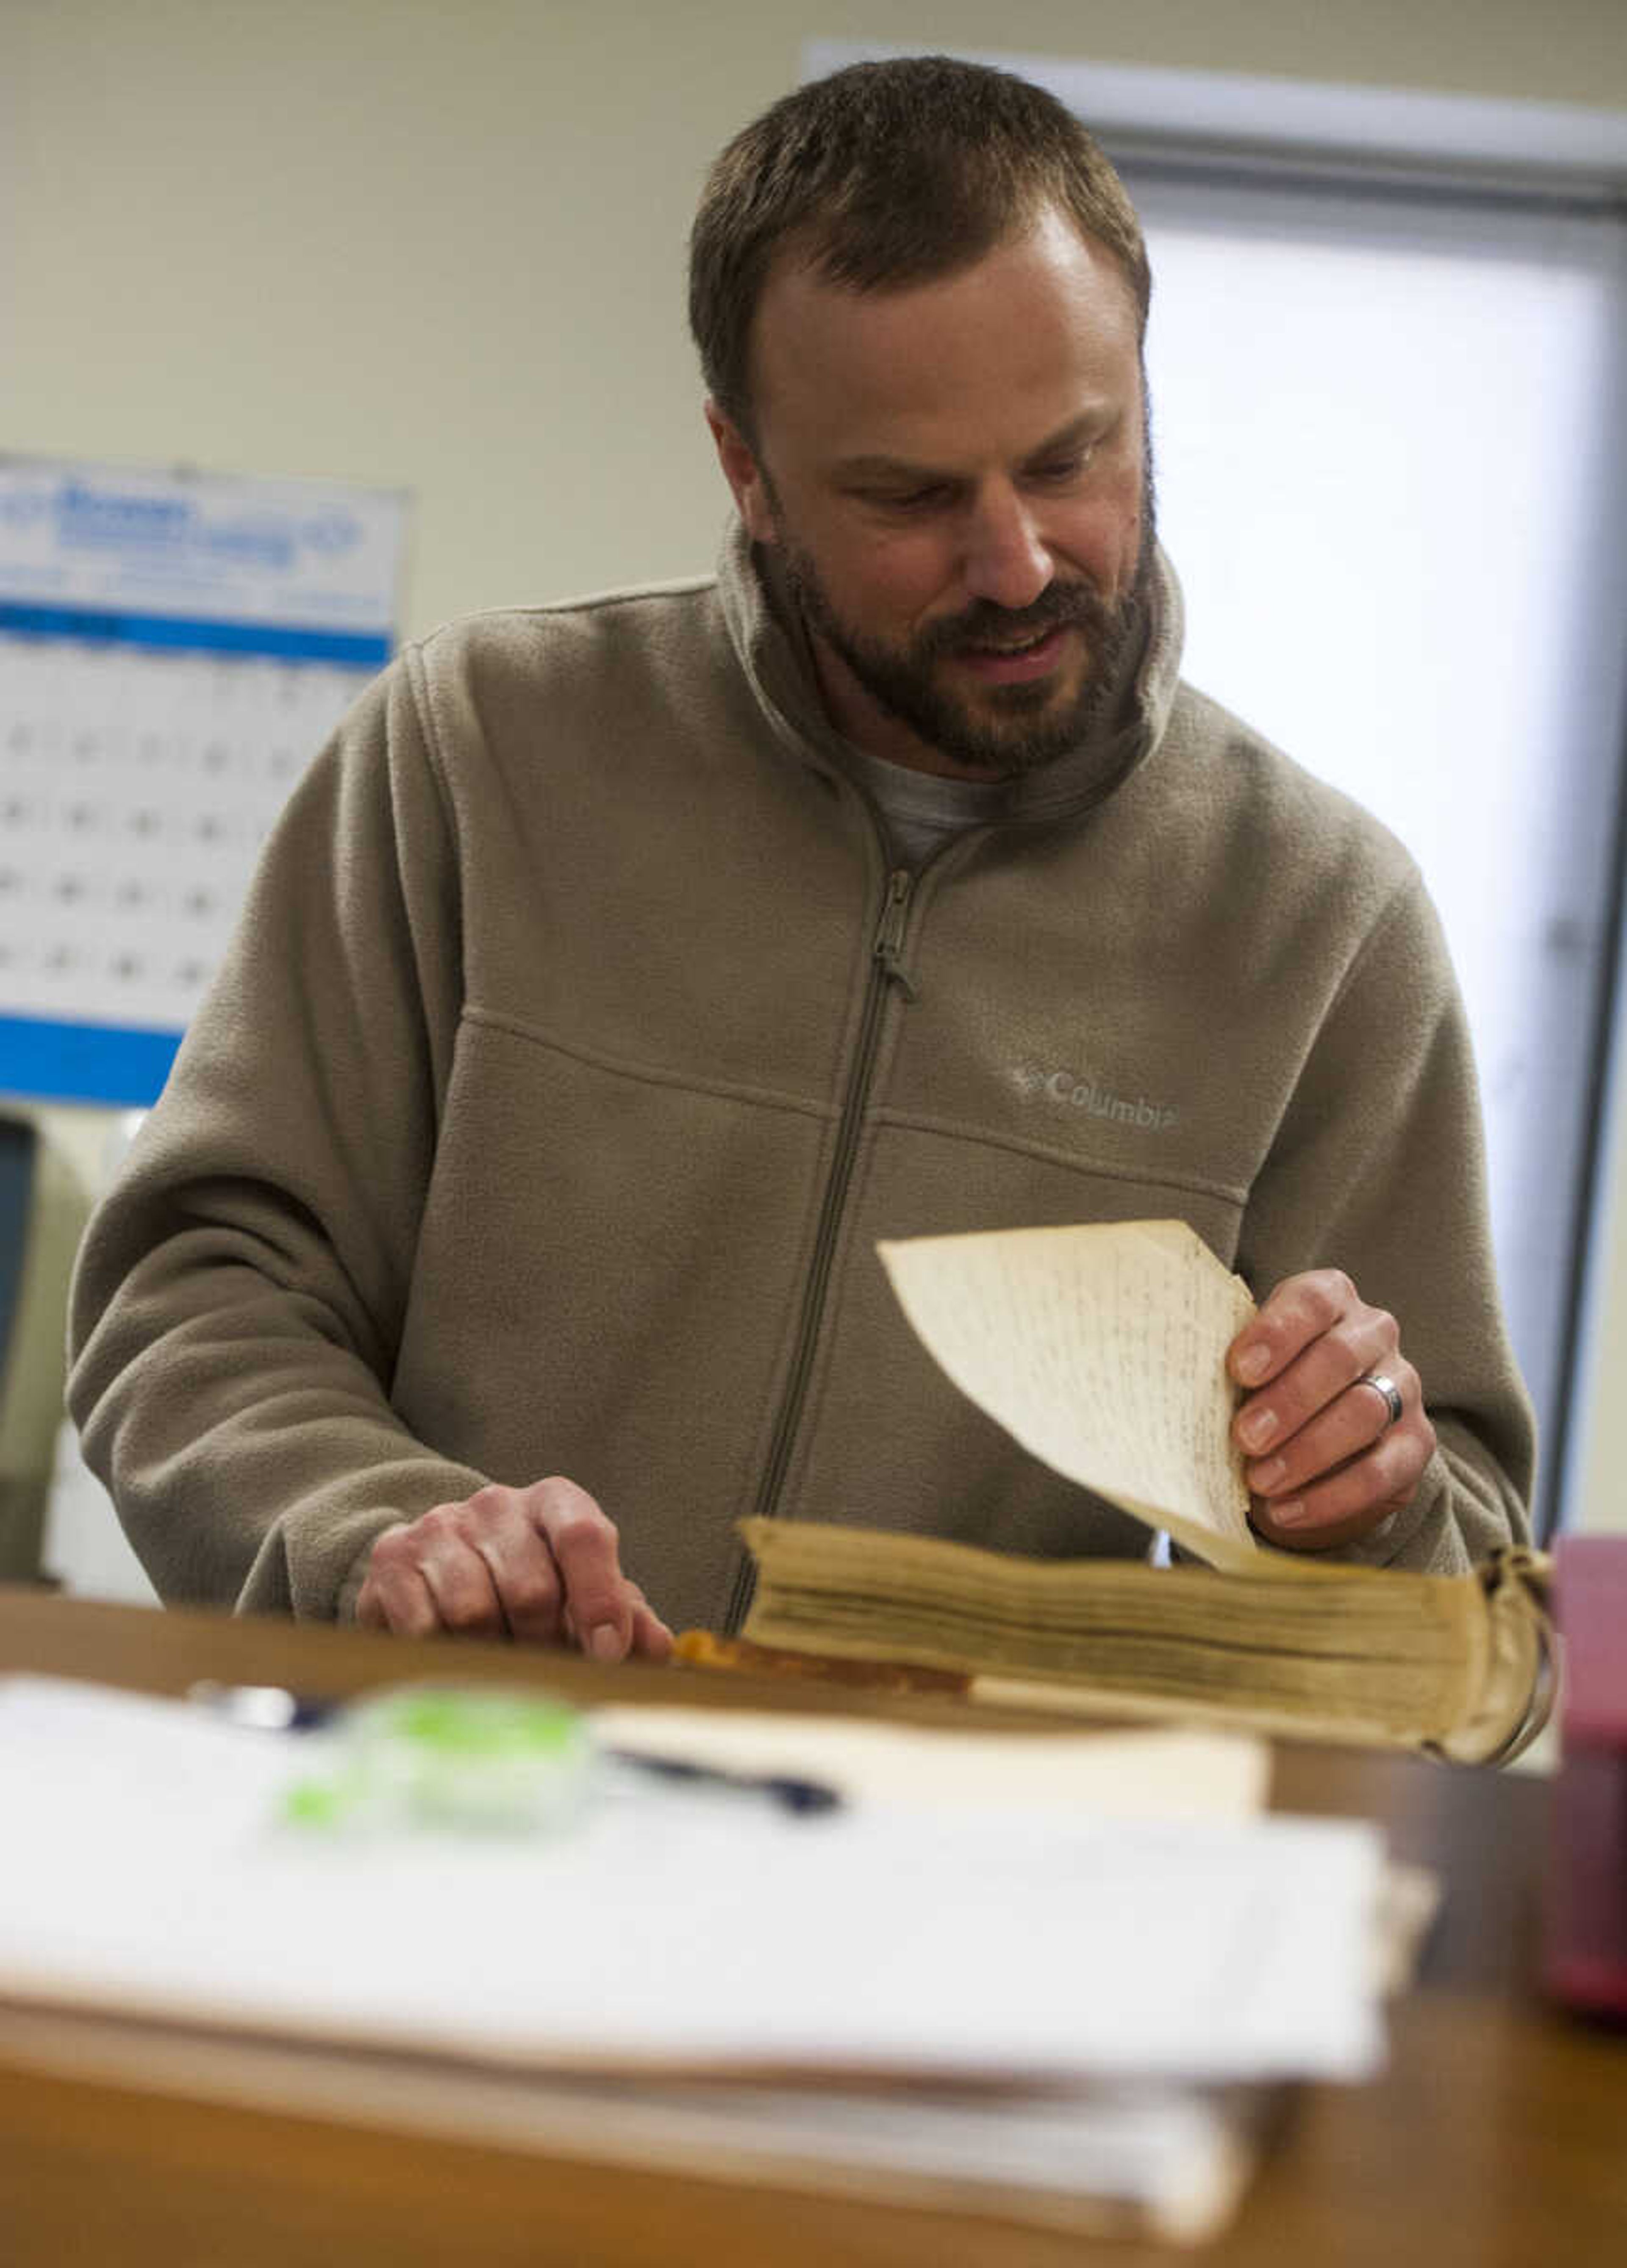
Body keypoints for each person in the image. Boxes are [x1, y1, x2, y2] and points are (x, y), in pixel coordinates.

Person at [67, 56, 1533, 1659]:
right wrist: (366, 1530)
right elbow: (195, 1293)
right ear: (747, 471)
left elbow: (1473, 1626)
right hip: (443, 1797)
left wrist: (1367, 1501)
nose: (1016, 561)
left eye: (1070, 460)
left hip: (956, 1885)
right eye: (908, 495)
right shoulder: (481, 752)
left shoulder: (1320, 925)